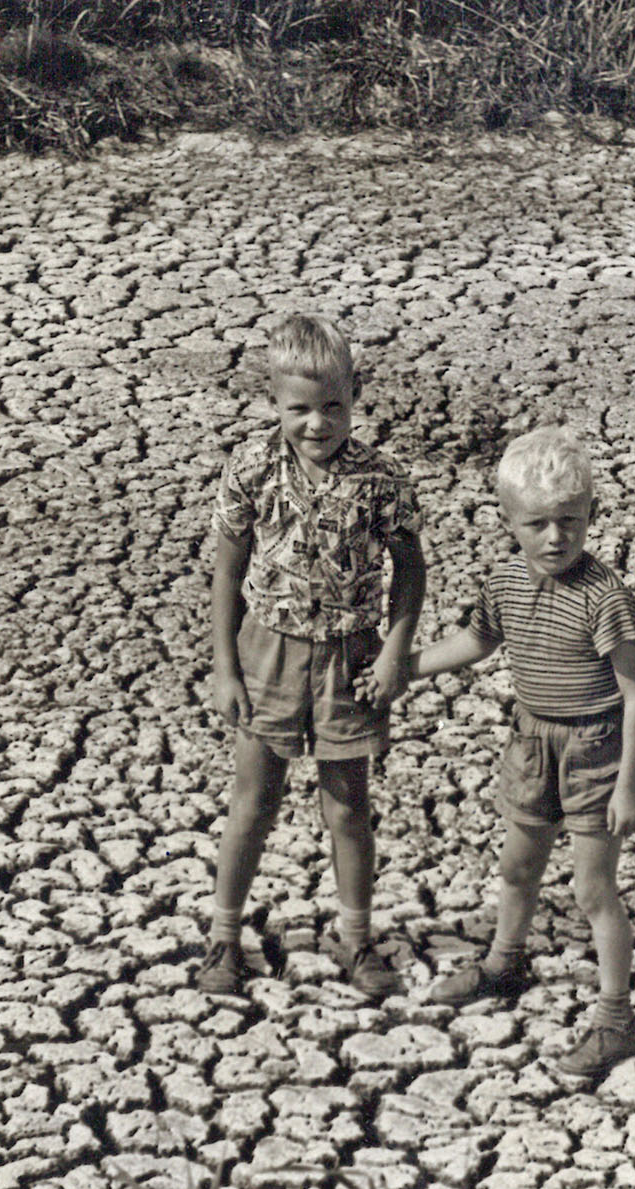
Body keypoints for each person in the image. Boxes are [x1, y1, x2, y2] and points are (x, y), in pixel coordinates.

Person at [362, 425, 635, 1077]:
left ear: (591, 517)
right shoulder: (505, 582)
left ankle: (615, 1021)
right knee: (518, 868)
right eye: (539, 523)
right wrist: (403, 668)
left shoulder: (605, 598)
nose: (556, 538)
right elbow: (475, 641)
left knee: (592, 888)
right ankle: (505, 962)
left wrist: (629, 784)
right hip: (532, 739)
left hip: (594, 749)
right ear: (509, 522)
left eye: (570, 522)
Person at [198, 312, 425, 1002]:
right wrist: (224, 666)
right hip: (266, 652)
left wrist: (394, 653)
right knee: (253, 801)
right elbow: (227, 573)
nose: (318, 423)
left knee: (348, 806)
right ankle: (224, 936)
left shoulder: (382, 478)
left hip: (350, 659)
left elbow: (412, 570)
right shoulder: (252, 468)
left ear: (355, 395)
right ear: (274, 401)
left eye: (334, 406)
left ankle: (356, 939)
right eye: (300, 408)